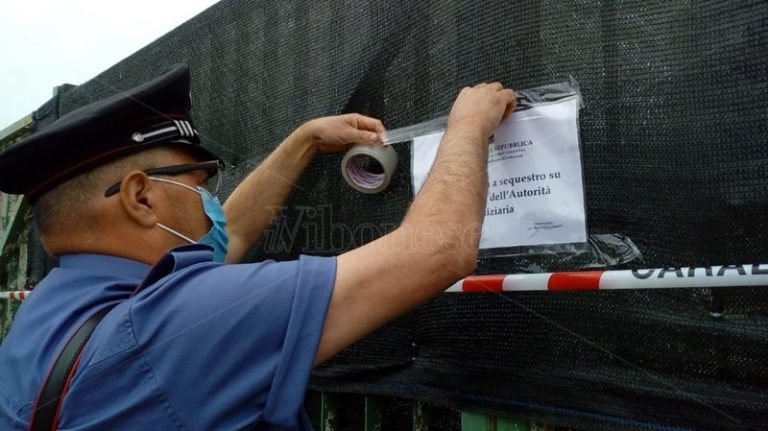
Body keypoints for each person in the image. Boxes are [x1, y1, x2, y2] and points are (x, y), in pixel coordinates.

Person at [0, 64, 516, 430]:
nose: (213, 205)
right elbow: (439, 249)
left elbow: (229, 238)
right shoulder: (171, 325)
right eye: (202, 186)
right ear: (140, 197)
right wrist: (468, 126)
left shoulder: (46, 315)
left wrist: (304, 142)